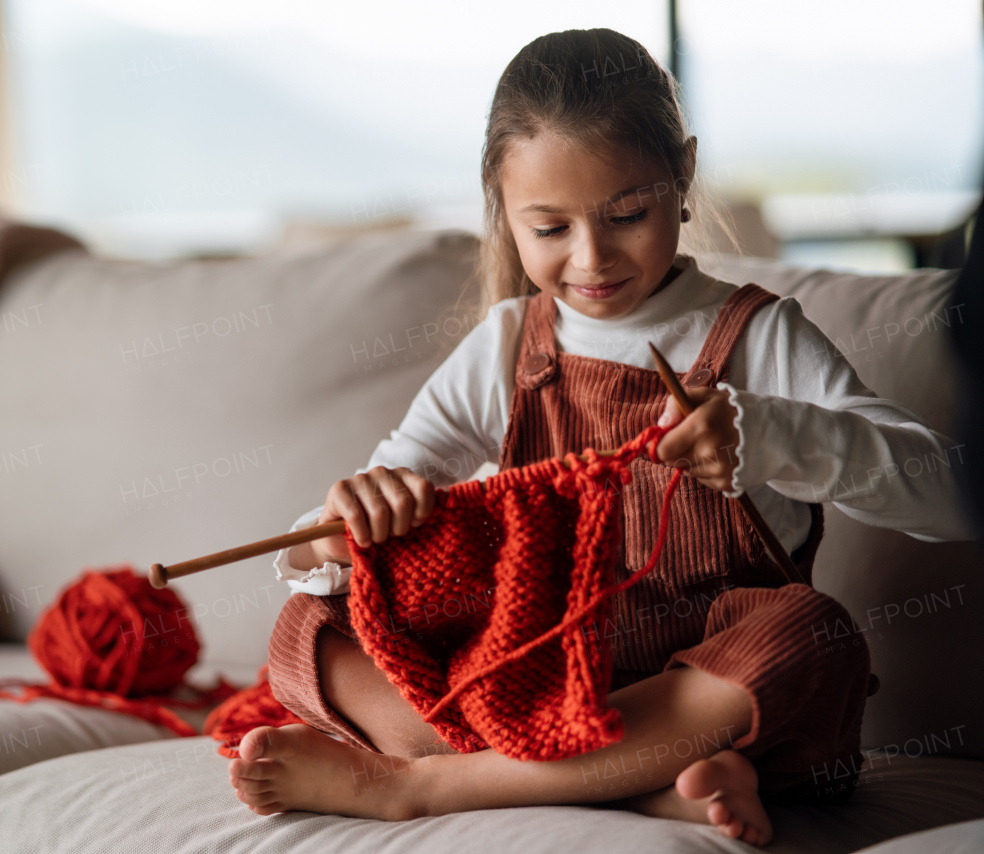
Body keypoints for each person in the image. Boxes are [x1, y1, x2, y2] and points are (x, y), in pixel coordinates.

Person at [226, 29, 975, 847]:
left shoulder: (757, 336)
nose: (592, 258)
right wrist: (335, 536)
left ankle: (424, 785)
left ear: (682, 174)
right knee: (309, 629)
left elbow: (950, 496)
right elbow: (363, 517)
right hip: (534, 680)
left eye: (627, 214)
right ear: (503, 210)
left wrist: (772, 436)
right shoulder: (510, 344)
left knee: (810, 634)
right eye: (550, 229)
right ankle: (647, 790)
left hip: (701, 688)